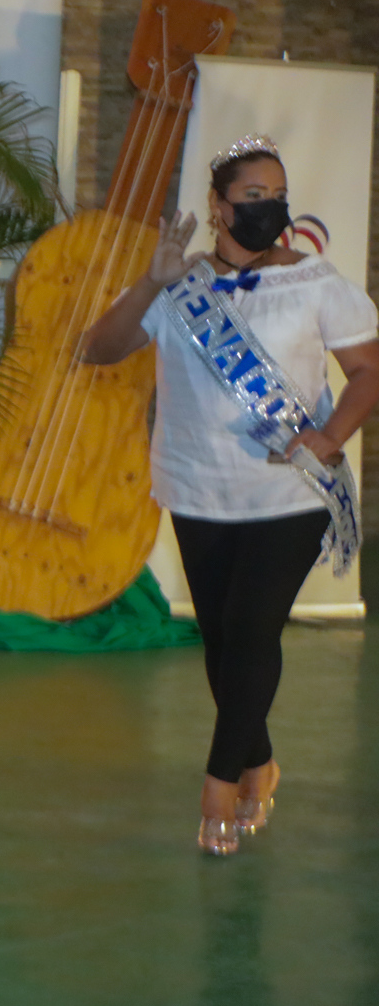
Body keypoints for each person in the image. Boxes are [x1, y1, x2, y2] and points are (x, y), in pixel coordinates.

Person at [82, 135, 379, 856]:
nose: (268, 207)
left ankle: (218, 787)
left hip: (288, 492)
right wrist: (151, 282)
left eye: (277, 195)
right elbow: (99, 348)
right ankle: (259, 761)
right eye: (252, 196)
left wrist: (330, 436)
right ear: (218, 206)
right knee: (222, 643)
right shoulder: (178, 284)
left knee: (249, 632)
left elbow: (368, 370)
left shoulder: (314, 280)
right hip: (197, 487)